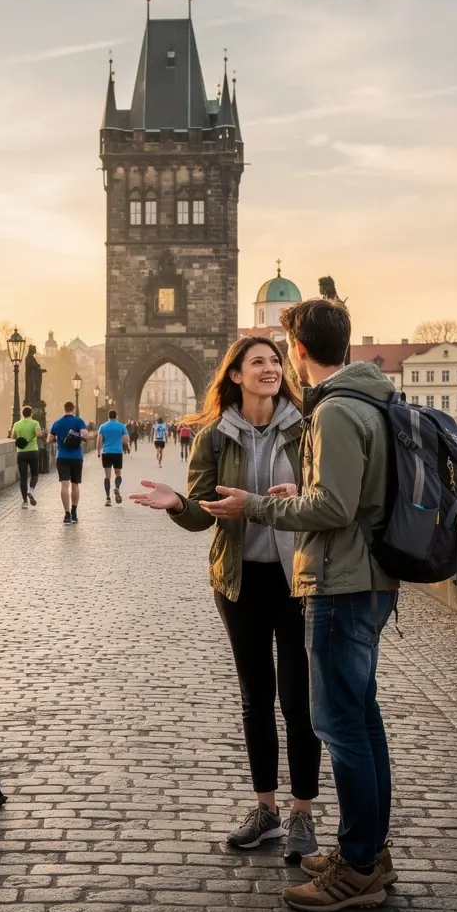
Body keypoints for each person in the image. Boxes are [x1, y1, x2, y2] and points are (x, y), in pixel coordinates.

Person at [201, 299, 399, 912]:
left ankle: (357, 866)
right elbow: (348, 495)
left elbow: (334, 508)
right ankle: (371, 854)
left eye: (283, 350)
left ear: (299, 350)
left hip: (340, 581)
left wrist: (260, 505)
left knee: (339, 724)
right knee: (362, 719)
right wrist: (302, 491)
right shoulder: (372, 396)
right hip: (368, 576)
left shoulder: (334, 408)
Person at [131, 337, 321, 865]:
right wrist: (178, 504)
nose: (271, 368)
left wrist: (300, 497)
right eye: (258, 361)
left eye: (275, 361)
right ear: (235, 375)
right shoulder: (214, 436)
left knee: (299, 699)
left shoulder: (307, 429)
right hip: (239, 581)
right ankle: (266, 810)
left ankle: (303, 813)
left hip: (298, 578)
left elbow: (325, 501)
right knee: (256, 697)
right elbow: (203, 512)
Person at [47, 400, 92, 524]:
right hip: (76, 457)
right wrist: (78, 436)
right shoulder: (79, 421)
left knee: (64, 485)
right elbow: (86, 436)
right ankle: (74, 512)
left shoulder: (57, 422)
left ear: (64, 409)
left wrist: (58, 439)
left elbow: (49, 439)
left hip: (62, 457)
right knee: (75, 485)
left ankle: (66, 514)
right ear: (73, 409)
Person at [97, 409, 131, 506]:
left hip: (106, 452)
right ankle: (117, 487)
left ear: (108, 416)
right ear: (116, 416)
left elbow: (99, 440)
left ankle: (108, 499)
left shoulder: (103, 426)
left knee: (107, 476)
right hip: (117, 452)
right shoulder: (121, 426)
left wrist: (98, 451)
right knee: (118, 473)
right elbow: (126, 440)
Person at [12, 405, 44, 508]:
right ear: (31, 414)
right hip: (33, 452)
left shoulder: (17, 424)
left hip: (21, 453)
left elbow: (13, 436)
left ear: (22, 414)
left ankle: (25, 502)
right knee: (34, 474)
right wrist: (42, 433)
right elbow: (39, 434)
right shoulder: (35, 423)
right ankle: (31, 490)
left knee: (23, 478)